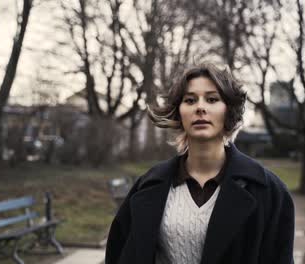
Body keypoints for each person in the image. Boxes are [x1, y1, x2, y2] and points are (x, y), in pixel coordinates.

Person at [105, 62, 295, 264]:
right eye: (190, 100)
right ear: (179, 112)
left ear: (228, 110)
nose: (200, 107)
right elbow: (120, 253)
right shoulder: (149, 185)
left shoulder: (268, 191)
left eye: (212, 99)